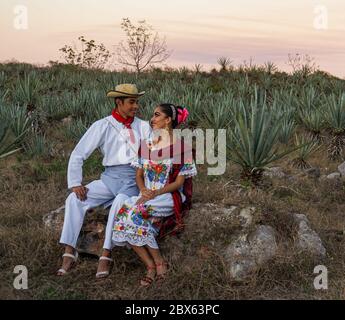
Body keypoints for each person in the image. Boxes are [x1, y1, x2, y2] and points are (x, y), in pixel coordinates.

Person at [57, 84, 151, 278]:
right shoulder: (102, 125)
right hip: (109, 179)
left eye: (137, 102)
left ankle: (106, 254)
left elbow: (153, 156)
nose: (136, 106)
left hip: (134, 179)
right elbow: (78, 153)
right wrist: (75, 183)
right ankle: (69, 251)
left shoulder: (143, 126)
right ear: (119, 102)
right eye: (132, 102)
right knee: (73, 200)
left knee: (119, 203)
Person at [110, 103, 197, 287]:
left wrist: (155, 192)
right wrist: (143, 190)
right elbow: (139, 175)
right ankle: (150, 265)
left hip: (167, 194)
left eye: (157, 115)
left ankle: (159, 262)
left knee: (136, 214)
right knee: (124, 213)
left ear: (168, 120)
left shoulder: (183, 148)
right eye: (152, 115)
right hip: (148, 193)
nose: (152, 119)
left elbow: (179, 183)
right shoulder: (147, 145)